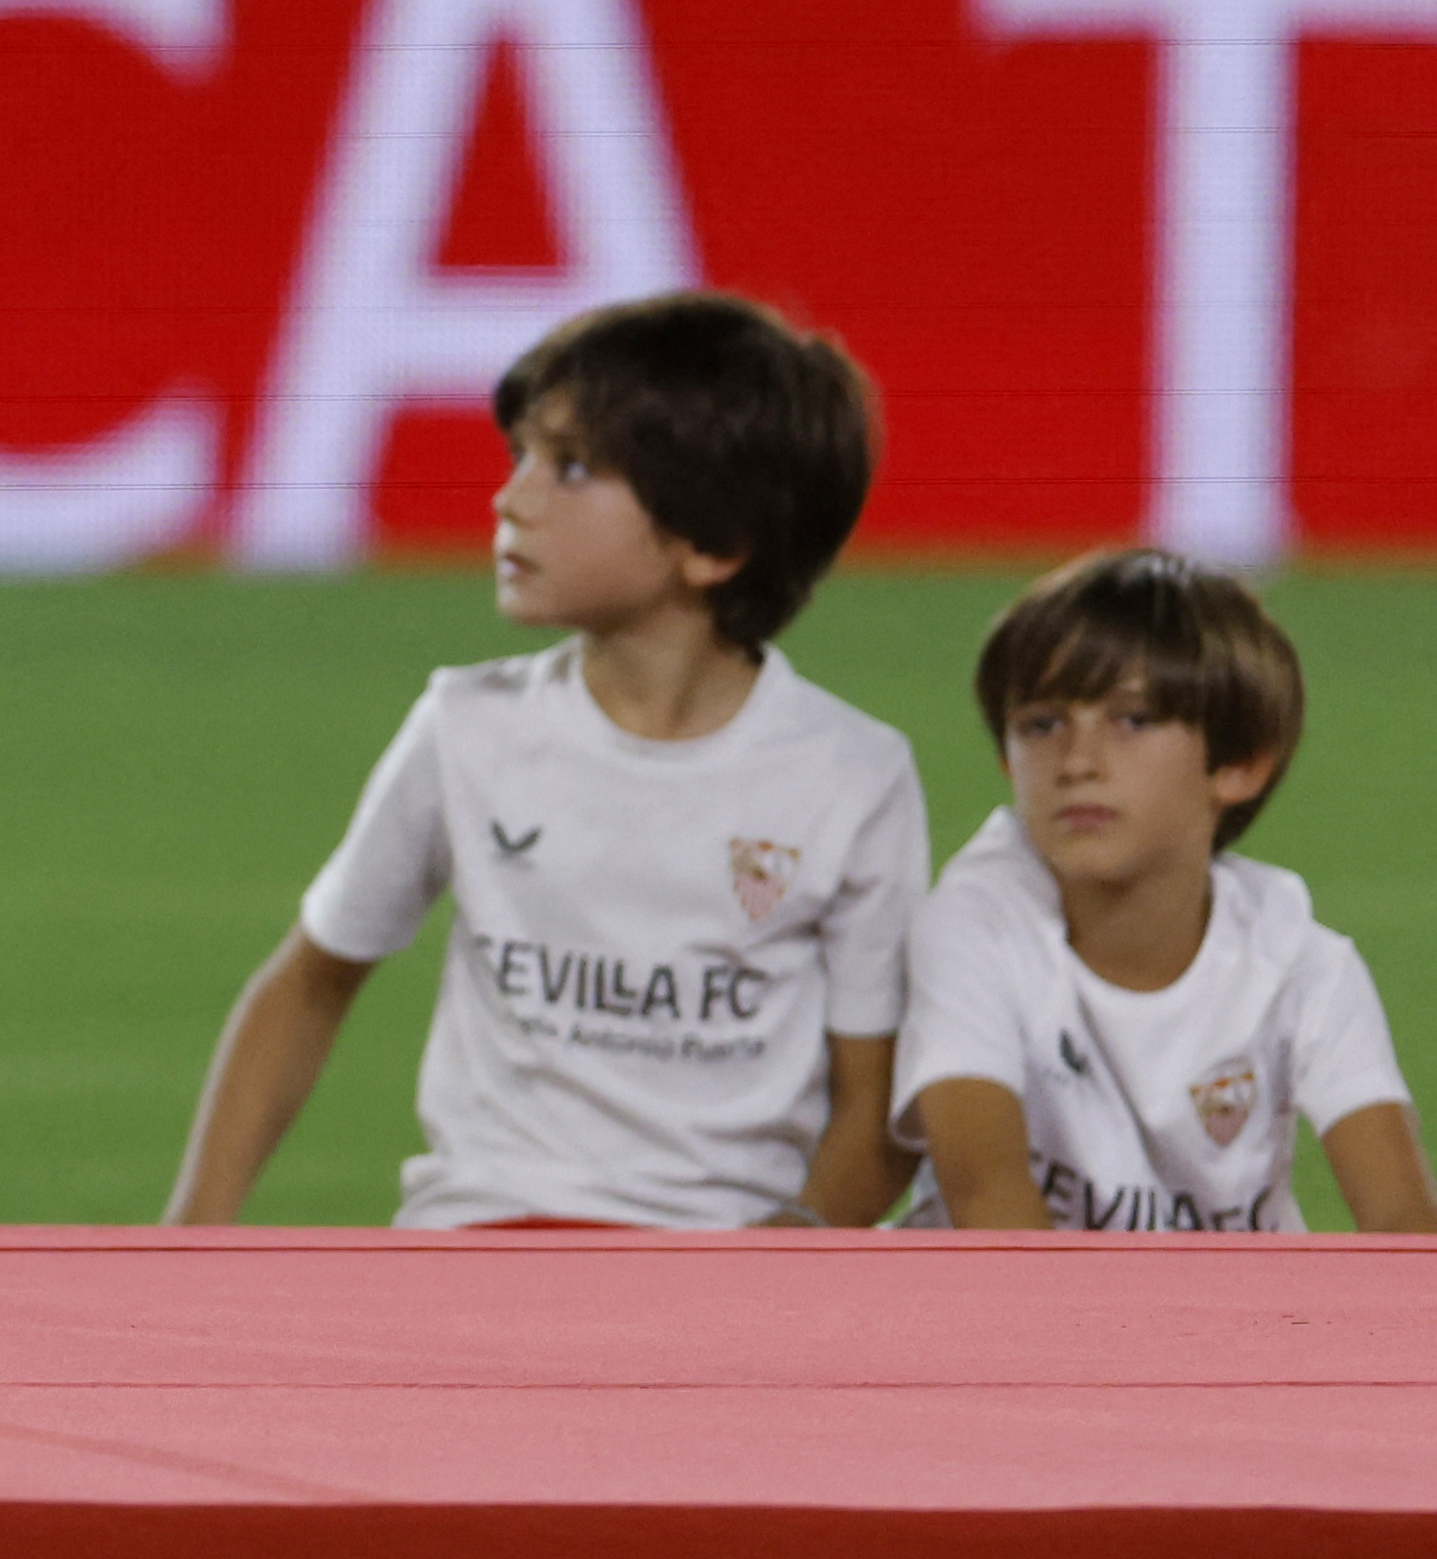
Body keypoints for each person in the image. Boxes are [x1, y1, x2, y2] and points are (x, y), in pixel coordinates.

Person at [168, 290, 916, 1231]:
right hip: (475, 1245)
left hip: (720, 1272)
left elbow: (879, 1106)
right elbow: (312, 980)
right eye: (519, 455)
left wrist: (775, 1262)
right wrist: (192, 1230)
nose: (508, 498)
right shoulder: (464, 726)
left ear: (714, 544)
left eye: (567, 468)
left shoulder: (851, 775)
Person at [893, 549, 1427, 1235]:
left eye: (1132, 720)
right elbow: (990, 1210)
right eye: (1040, 725)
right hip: (1010, 1325)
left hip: (1216, 1331)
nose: (1077, 762)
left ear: (1238, 763)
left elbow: (1403, 1230)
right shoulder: (972, 927)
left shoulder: (1300, 963)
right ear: (1005, 756)